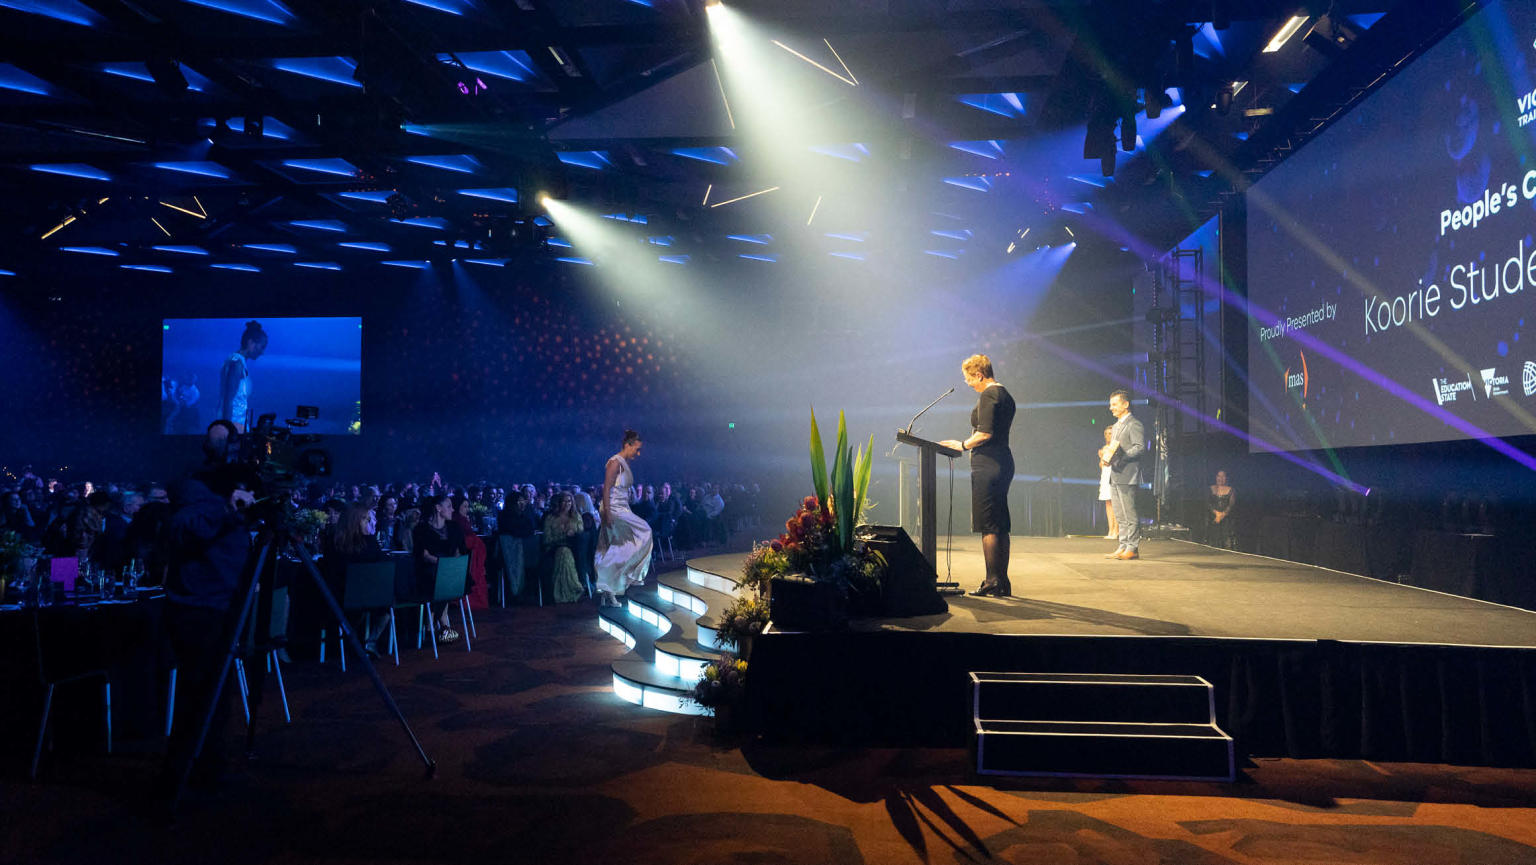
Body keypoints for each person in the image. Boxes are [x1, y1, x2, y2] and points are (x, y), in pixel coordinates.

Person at [940, 354, 1016, 597]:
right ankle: (1002, 582)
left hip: (988, 465)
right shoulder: (1006, 394)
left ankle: (992, 582)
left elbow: (985, 433)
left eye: (968, 379)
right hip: (1002, 462)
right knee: (999, 524)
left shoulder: (989, 394)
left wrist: (961, 445)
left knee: (989, 525)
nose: (968, 384)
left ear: (979, 375)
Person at [594, 430, 653, 607]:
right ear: (628, 444)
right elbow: (606, 489)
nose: (638, 453)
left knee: (616, 545)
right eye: (637, 448)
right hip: (615, 509)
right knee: (642, 533)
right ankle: (608, 581)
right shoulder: (615, 462)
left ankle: (608, 591)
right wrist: (608, 513)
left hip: (622, 508)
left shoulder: (623, 463)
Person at [1100, 389, 1147, 560]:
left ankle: (1132, 548)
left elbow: (1140, 447)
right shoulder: (1117, 425)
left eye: (1114, 404)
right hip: (1115, 474)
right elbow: (1114, 448)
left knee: (1129, 513)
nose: (1111, 407)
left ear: (1125, 405)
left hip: (1128, 474)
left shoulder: (1134, 424)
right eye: (1110, 404)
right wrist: (1108, 456)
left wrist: (1122, 456)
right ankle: (1123, 545)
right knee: (1119, 514)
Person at [412, 494, 465, 643]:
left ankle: (433, 624)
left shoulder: (454, 528)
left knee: (447, 579)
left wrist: (448, 565)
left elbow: (459, 551)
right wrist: (444, 564)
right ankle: (442, 625)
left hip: (449, 572)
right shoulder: (421, 529)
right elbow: (425, 556)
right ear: (438, 508)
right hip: (427, 573)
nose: (452, 509)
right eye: (448, 506)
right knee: (439, 579)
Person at [218, 320, 267, 433]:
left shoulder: (237, 362)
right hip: (233, 425)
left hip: (236, 424)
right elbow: (228, 399)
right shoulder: (237, 363)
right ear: (251, 343)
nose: (262, 352)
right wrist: (229, 430)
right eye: (262, 347)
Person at [542, 492, 587, 604]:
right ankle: (575, 587)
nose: (567, 504)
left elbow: (582, 535)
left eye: (569, 501)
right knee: (563, 551)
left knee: (565, 552)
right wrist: (560, 537)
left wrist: (574, 533)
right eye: (564, 501)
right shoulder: (550, 518)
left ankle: (566, 591)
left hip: (573, 548)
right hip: (554, 548)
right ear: (559, 503)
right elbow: (546, 539)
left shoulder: (576, 517)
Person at [1097, 426, 1118, 540]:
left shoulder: (1115, 447)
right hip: (1105, 475)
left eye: (1110, 433)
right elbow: (1102, 465)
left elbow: (1111, 462)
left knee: (1115, 503)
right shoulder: (1104, 448)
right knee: (1108, 503)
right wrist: (1101, 458)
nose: (1108, 435)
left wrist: (1105, 457)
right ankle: (1110, 530)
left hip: (1114, 474)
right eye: (1106, 433)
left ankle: (1116, 530)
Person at [1207, 469, 1236, 549]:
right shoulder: (1211, 488)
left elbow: (1231, 505)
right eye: (1219, 476)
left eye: (1223, 476)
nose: (1221, 478)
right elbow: (1208, 503)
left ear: (1226, 478)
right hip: (1213, 518)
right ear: (1216, 477)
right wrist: (1216, 514)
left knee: (1226, 540)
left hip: (1226, 519)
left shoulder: (1231, 490)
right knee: (1213, 541)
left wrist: (1222, 515)